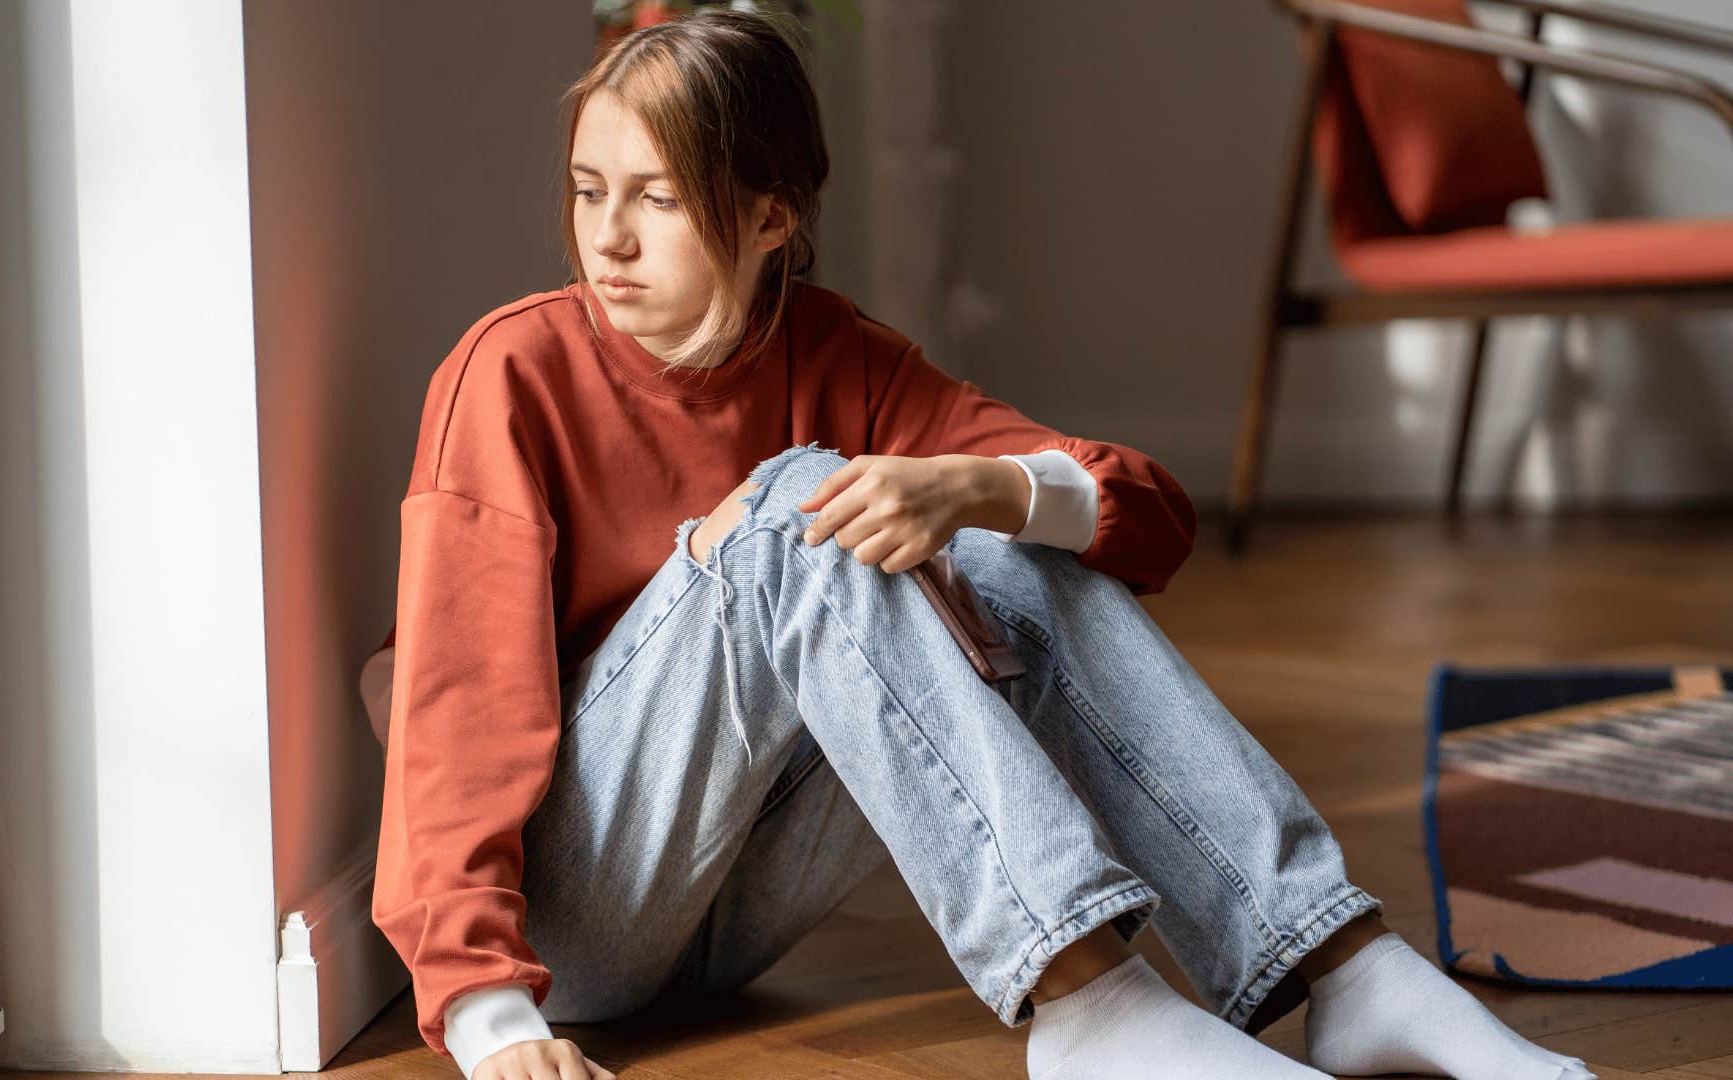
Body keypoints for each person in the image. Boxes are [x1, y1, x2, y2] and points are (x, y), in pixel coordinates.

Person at [369, 10, 1595, 1080]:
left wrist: (978, 487)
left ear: (767, 219)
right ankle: (1087, 1002)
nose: (608, 239)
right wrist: (486, 1012)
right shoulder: (513, 369)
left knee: (1001, 540)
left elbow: (1147, 514)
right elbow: (455, 703)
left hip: (732, 919)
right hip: (574, 917)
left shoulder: (841, 354)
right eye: (589, 190)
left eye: (659, 197)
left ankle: (1344, 963)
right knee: (805, 500)